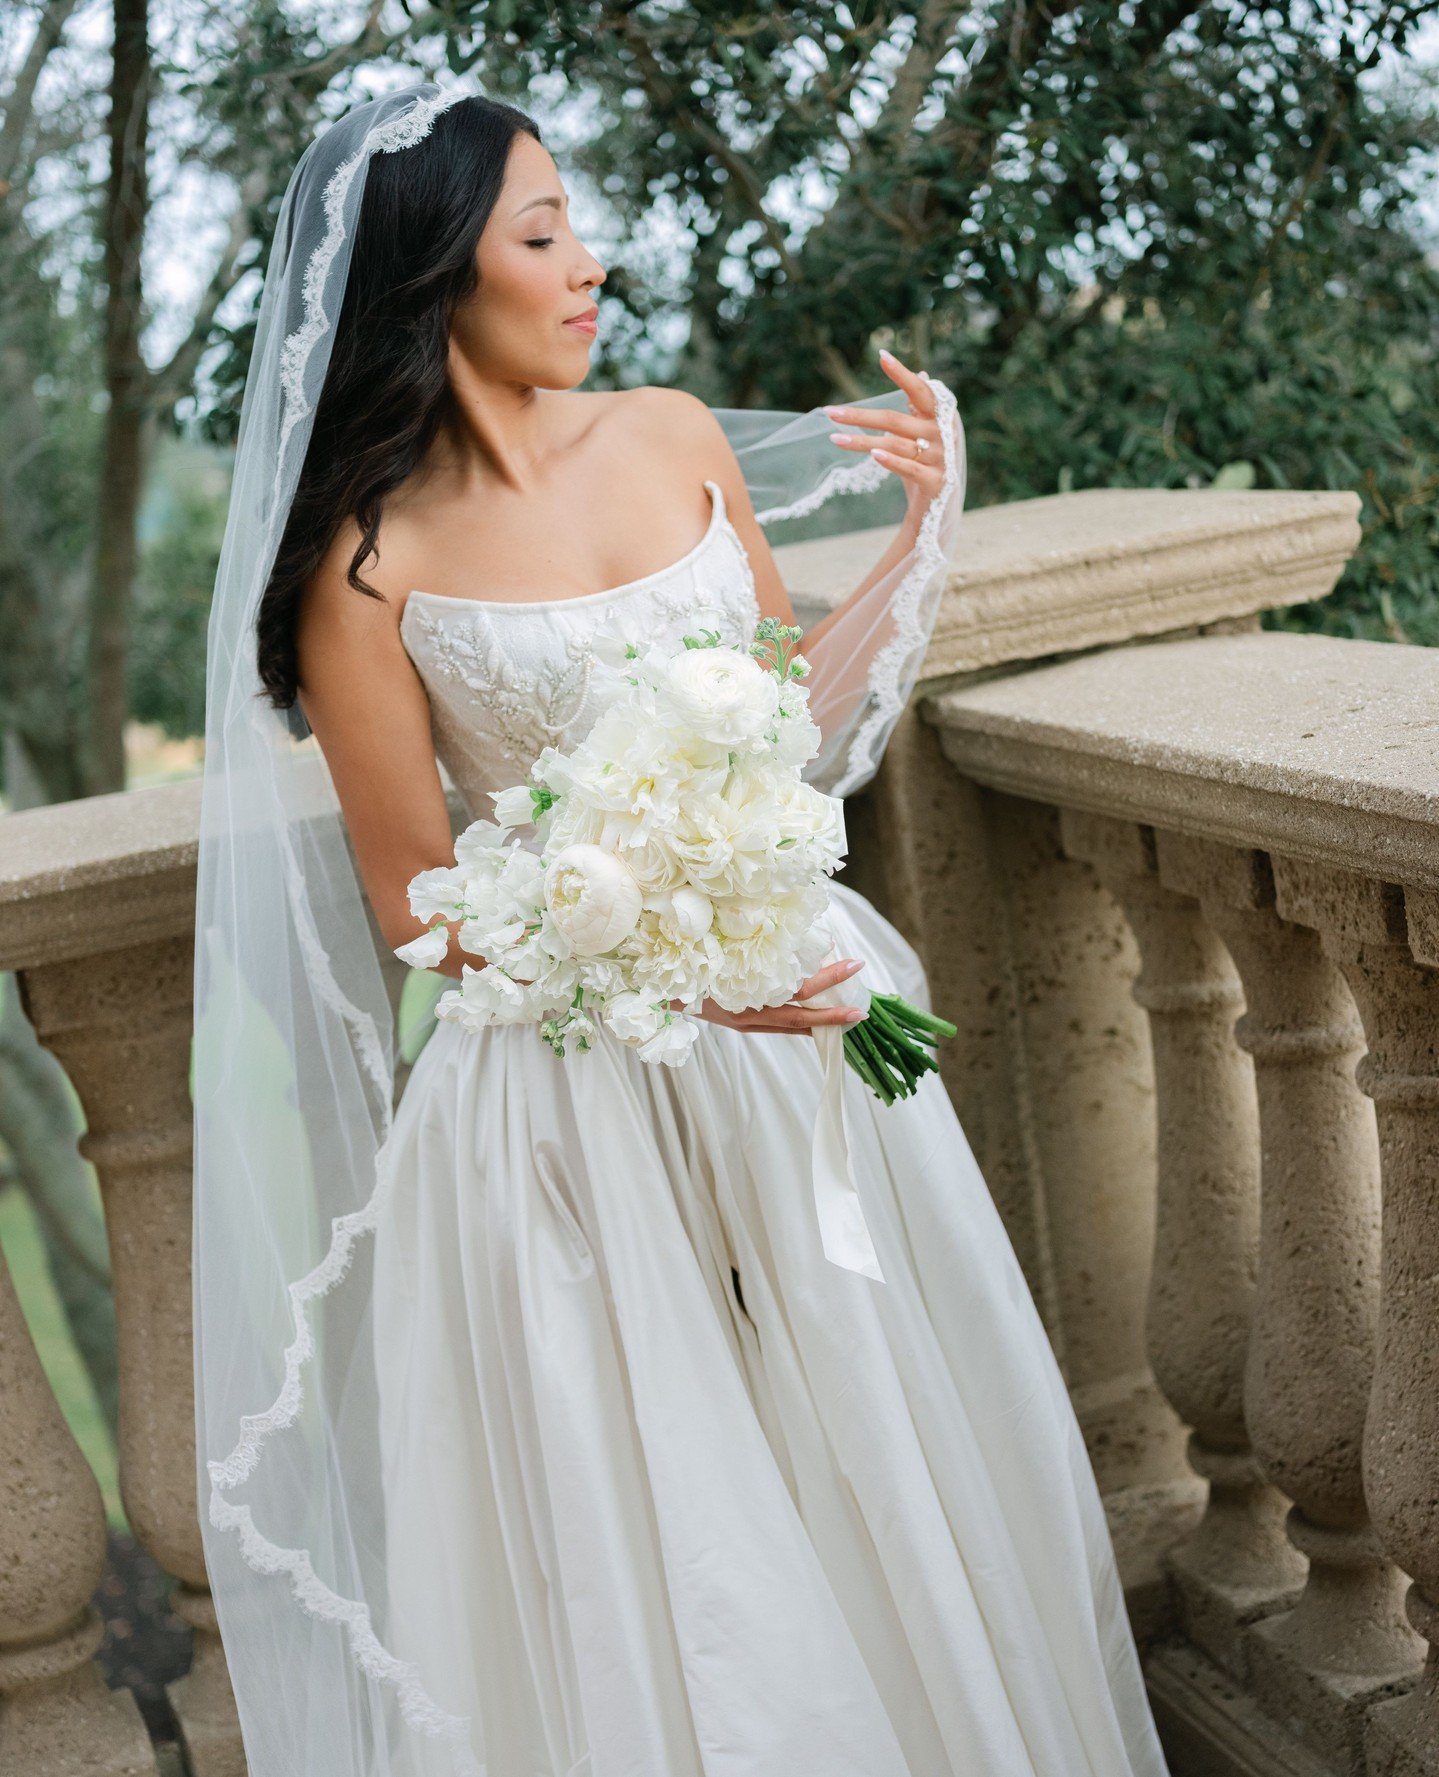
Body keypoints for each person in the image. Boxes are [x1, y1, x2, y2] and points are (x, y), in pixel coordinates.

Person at [193, 79, 1172, 1777]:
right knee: (680, 1539)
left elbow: (782, 727)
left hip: (804, 1033)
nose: (591, 265)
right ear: (438, 273)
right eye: (544, 232)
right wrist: (665, 964)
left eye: (579, 226)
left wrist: (921, 538)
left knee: (877, 1448)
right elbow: (419, 903)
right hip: (570, 1117)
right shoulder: (365, 566)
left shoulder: (669, 436)